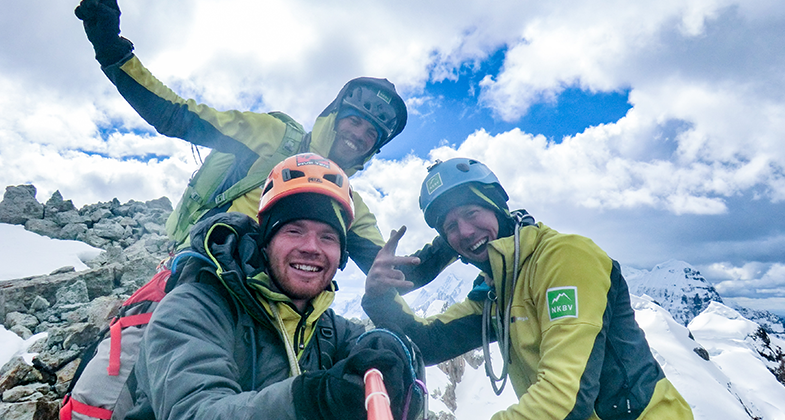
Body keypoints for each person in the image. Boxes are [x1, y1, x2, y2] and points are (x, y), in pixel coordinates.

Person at [74, 0, 455, 286]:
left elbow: (391, 275)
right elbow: (176, 116)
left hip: (276, 309)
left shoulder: (350, 204)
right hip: (199, 278)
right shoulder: (274, 136)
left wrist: (457, 238)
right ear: (332, 118)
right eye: (354, 121)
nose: (359, 135)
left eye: (371, 133)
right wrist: (111, 50)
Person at [362, 157, 694, 420]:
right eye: (451, 226)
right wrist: (380, 296)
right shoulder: (497, 291)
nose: (464, 231)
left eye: (471, 212)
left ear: (495, 206)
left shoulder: (565, 258)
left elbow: (567, 397)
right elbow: (428, 343)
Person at [124, 153, 423, 420]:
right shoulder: (194, 308)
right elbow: (195, 411)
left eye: (328, 237)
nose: (311, 248)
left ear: (341, 255)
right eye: (294, 231)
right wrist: (313, 400)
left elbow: (370, 343)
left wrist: (388, 343)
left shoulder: (328, 328)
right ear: (265, 242)